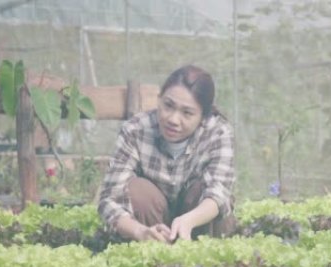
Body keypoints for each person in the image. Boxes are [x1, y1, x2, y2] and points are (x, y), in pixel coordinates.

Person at [98, 65, 236, 243]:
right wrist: (139, 231)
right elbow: (109, 199)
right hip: (151, 224)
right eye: (168, 105)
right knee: (137, 190)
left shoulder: (218, 132)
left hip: (197, 224)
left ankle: (204, 262)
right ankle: (155, 254)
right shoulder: (136, 129)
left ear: (203, 116)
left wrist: (188, 220)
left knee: (203, 192)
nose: (173, 119)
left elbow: (219, 194)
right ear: (159, 99)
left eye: (187, 113)